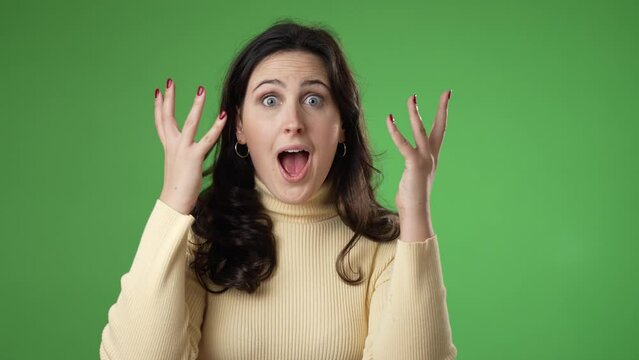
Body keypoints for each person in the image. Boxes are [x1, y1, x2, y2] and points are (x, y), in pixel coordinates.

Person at [99, 20, 457, 360]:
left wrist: (416, 215)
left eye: (313, 100)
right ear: (239, 126)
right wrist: (173, 202)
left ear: (342, 126)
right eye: (270, 100)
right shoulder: (202, 238)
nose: (293, 123)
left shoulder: (386, 248)